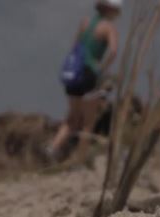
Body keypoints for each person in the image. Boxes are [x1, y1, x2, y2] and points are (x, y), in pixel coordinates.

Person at [47, 0, 121, 162]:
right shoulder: (109, 28)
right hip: (89, 76)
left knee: (72, 118)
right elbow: (113, 51)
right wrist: (102, 69)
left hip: (74, 73)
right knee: (88, 122)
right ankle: (79, 160)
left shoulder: (85, 22)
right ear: (111, 10)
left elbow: (75, 46)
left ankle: (53, 148)